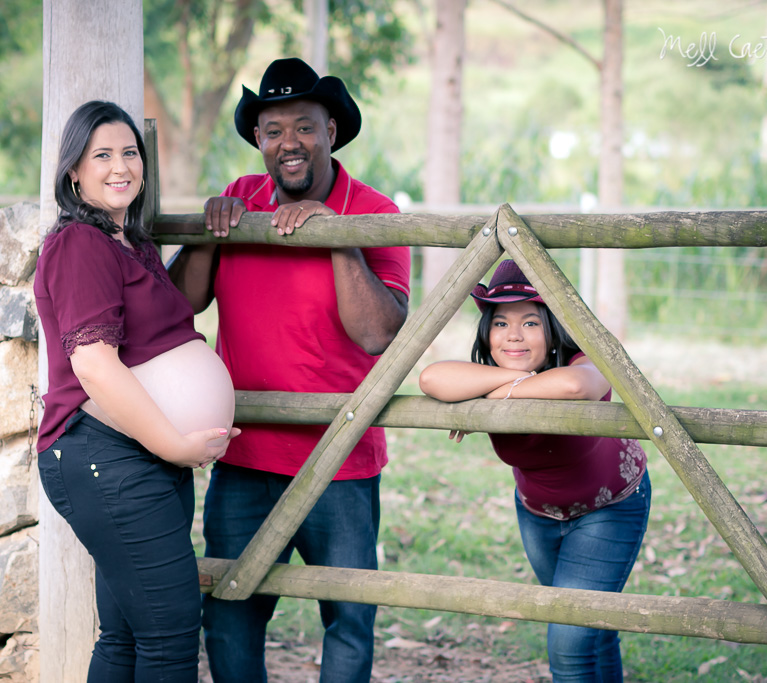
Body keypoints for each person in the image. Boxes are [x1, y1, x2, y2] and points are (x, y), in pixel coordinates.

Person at [169, 58, 411, 682]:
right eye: (273, 130)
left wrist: (336, 235)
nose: (289, 143)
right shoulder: (241, 201)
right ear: (258, 139)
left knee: (349, 619)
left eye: (304, 126)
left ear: (331, 129)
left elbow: (377, 332)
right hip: (244, 455)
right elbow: (181, 302)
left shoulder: (375, 210)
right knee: (229, 614)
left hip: (339, 460)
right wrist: (207, 232)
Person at [34, 100, 240, 682]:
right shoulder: (80, 243)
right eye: (101, 155)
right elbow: (94, 366)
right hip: (107, 457)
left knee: (126, 638)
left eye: (130, 152)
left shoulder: (131, 243)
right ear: (74, 171)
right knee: (169, 639)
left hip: (139, 457)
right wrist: (175, 444)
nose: (120, 166)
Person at [418, 259, 650, 683]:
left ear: (553, 326)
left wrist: (485, 395)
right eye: (501, 323)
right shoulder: (491, 371)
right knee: (590, 630)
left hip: (609, 507)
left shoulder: (587, 357)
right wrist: (505, 383)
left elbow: (574, 386)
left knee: (569, 646)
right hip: (537, 513)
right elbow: (432, 379)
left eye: (530, 323)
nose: (514, 335)